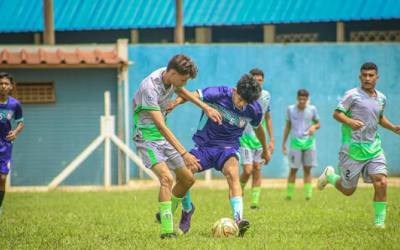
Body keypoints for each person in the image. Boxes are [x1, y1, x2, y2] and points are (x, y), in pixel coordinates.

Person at [166, 74, 271, 237]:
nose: (241, 104)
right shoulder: (219, 93)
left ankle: (238, 220)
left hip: (228, 148)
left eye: (246, 103)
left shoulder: (254, 109)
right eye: (240, 99)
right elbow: (191, 95)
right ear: (235, 91)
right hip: (204, 146)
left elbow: (258, 128)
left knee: (233, 174)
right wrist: (175, 102)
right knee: (184, 176)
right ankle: (185, 210)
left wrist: (265, 148)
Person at [132, 54, 222, 239]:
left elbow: (182, 92)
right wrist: (184, 152)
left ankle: (171, 211)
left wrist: (206, 108)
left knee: (188, 179)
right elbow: (160, 126)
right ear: (172, 73)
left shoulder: (171, 79)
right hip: (146, 138)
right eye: (183, 79)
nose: (184, 84)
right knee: (166, 178)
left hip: (163, 138)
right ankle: (167, 232)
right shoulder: (150, 87)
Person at [317, 62, 400, 229]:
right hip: (352, 150)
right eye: (364, 75)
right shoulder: (352, 95)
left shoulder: (382, 98)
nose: (367, 78)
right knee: (348, 190)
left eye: (371, 76)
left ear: (377, 78)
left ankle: (379, 222)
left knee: (382, 182)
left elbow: (379, 117)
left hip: (373, 148)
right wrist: (350, 121)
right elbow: (337, 113)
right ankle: (329, 175)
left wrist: (393, 128)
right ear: (360, 77)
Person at [238, 68, 274, 210]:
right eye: (255, 80)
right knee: (247, 171)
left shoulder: (266, 96)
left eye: (260, 80)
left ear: (263, 81)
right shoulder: (244, 95)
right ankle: (238, 191)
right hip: (245, 139)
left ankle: (254, 204)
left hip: (259, 140)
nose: (258, 83)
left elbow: (268, 117)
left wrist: (272, 139)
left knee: (257, 169)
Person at [282, 89, 320, 201]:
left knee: (307, 170)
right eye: (300, 99)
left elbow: (318, 123)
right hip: (295, 144)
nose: (302, 101)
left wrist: (314, 127)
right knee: (293, 170)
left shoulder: (312, 109)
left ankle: (308, 196)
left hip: (309, 144)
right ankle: (289, 196)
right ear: (297, 98)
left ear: (307, 99)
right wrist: (284, 143)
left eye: (304, 99)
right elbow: (287, 126)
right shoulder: (290, 109)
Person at [0, 72, 24, 217]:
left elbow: (20, 122)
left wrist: (15, 132)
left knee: (2, 178)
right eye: (0, 83)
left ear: (11, 87)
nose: (3, 86)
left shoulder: (15, 104)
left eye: (6, 84)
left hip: (5, 145)